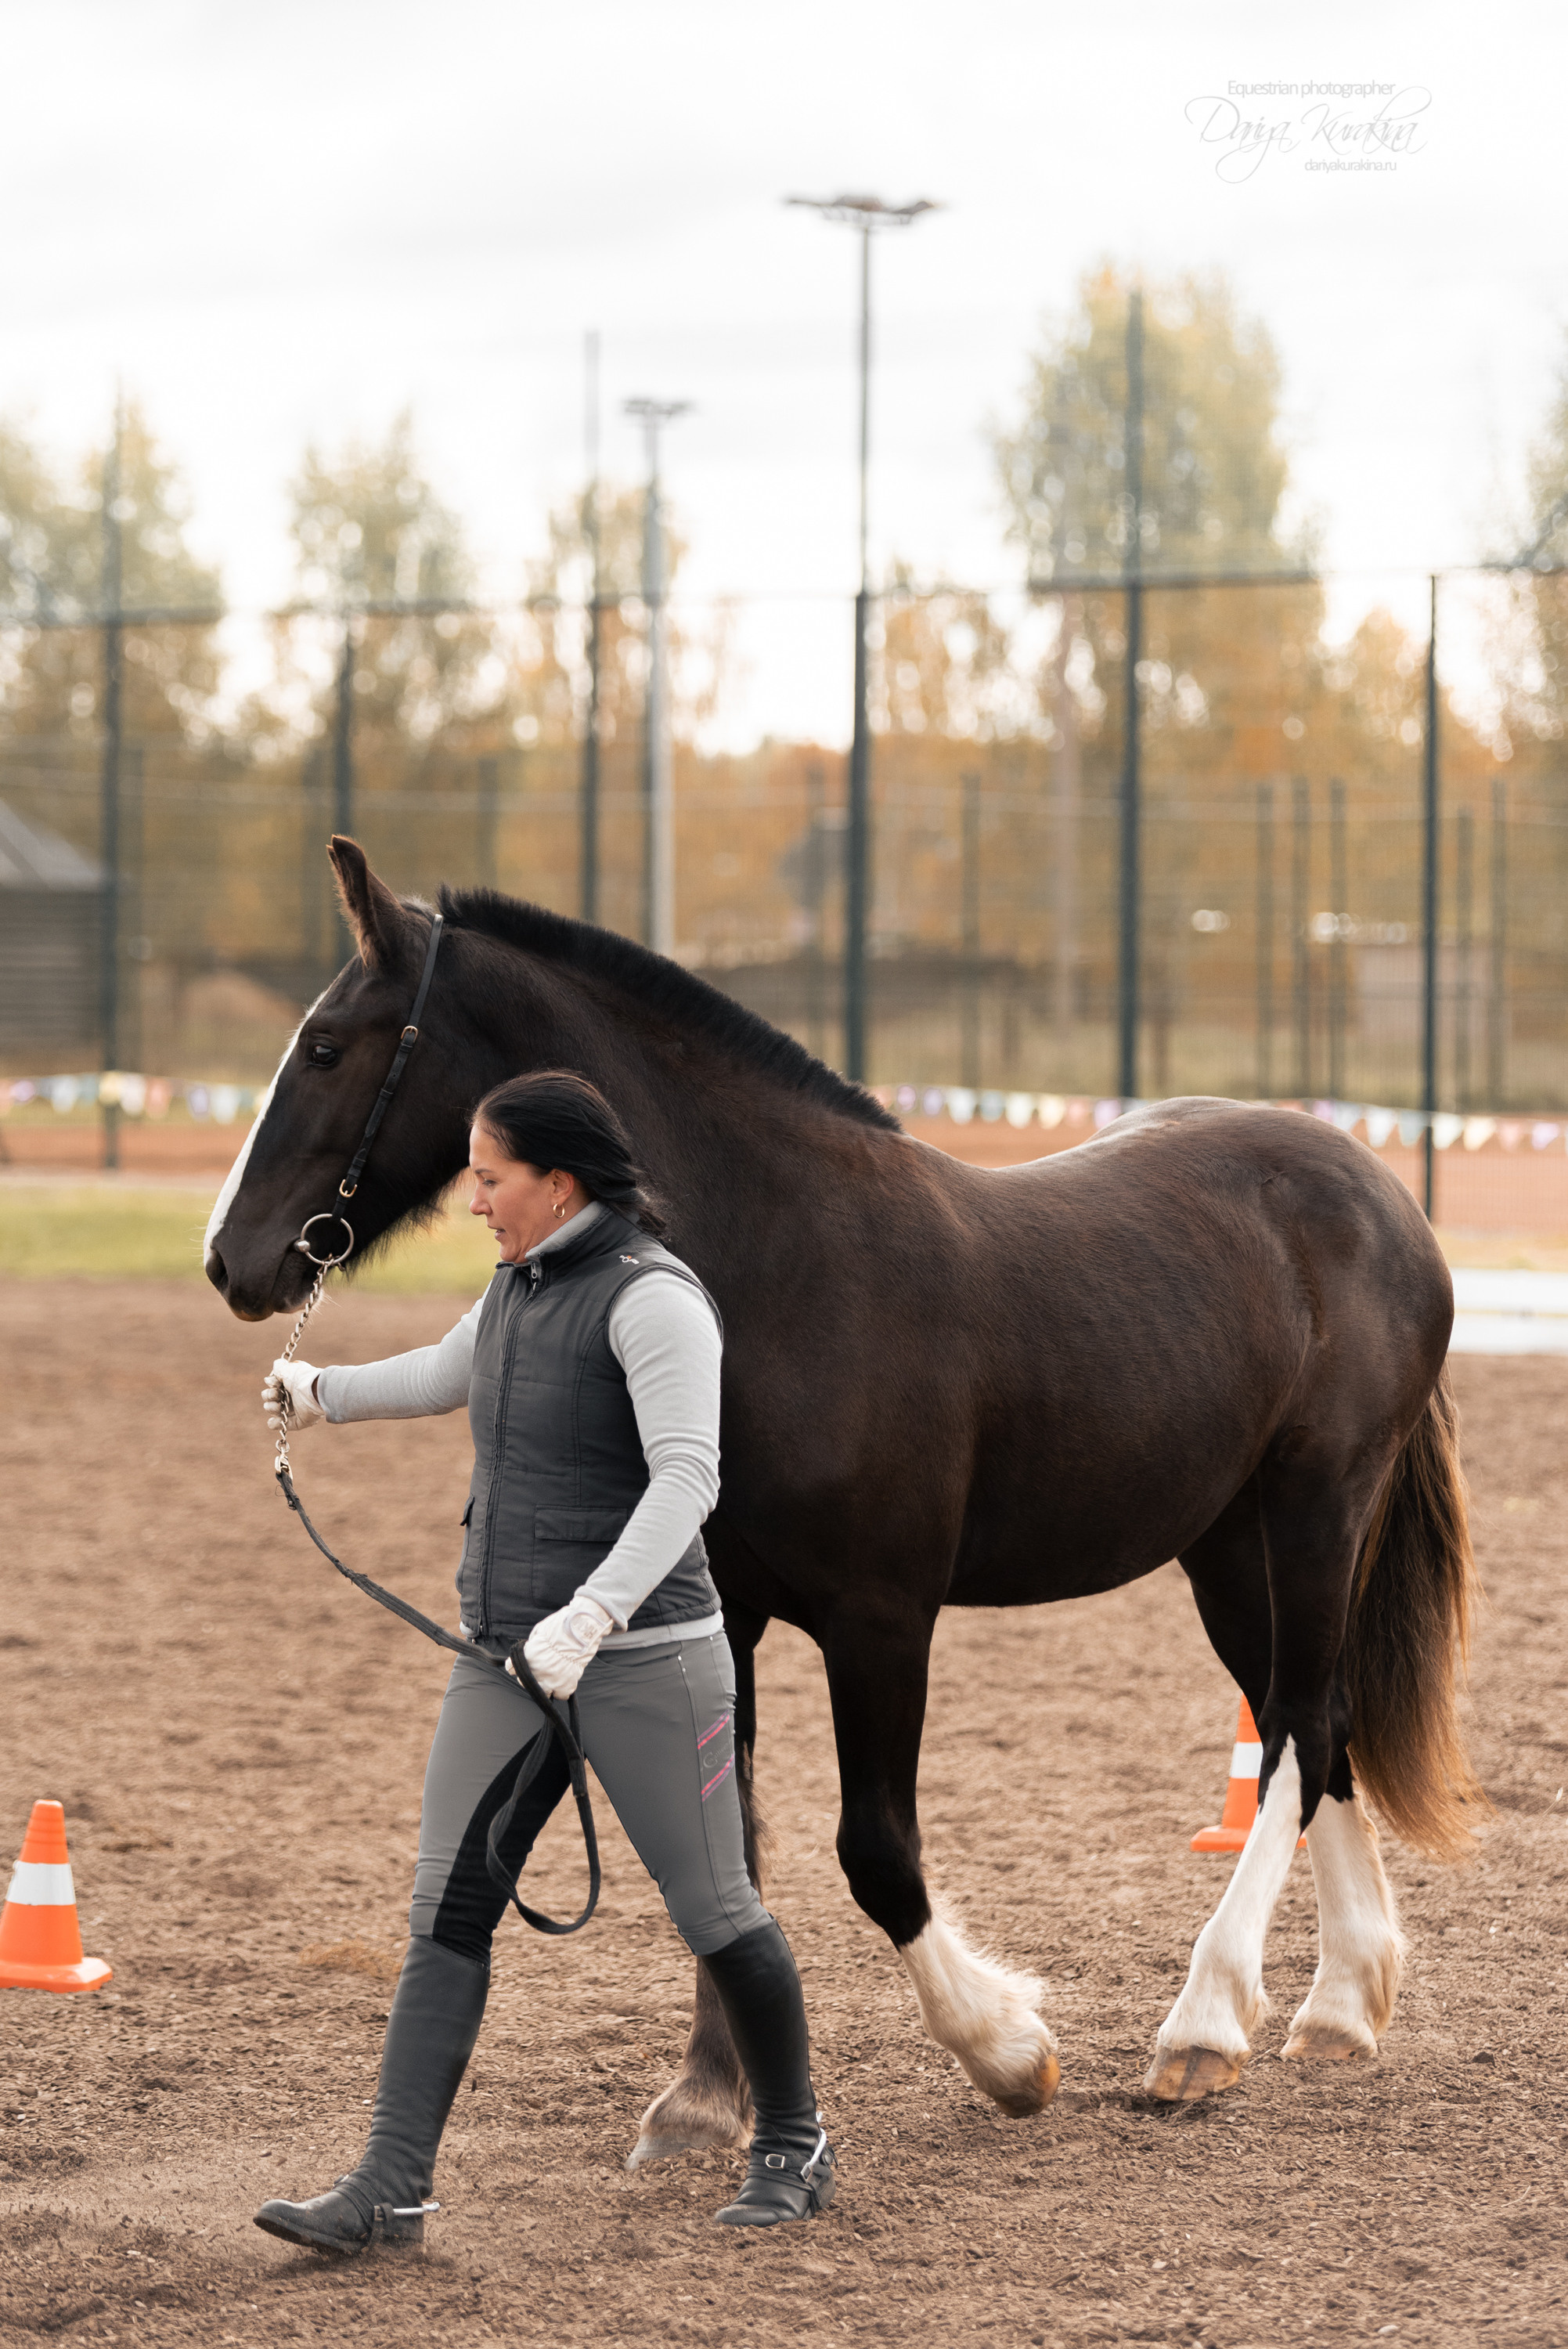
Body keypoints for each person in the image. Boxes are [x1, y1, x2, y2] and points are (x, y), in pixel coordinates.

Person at [252, 1069, 835, 2251]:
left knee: (718, 1910)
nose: (474, 1199)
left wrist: (594, 1617)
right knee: (446, 1911)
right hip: (504, 1658)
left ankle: (793, 2137)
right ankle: (390, 2187)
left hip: (645, 1658)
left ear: (557, 1182)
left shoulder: (655, 1299)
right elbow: (453, 1371)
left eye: (491, 1177)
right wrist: (325, 1395)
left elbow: (689, 1478)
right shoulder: (520, 1282)